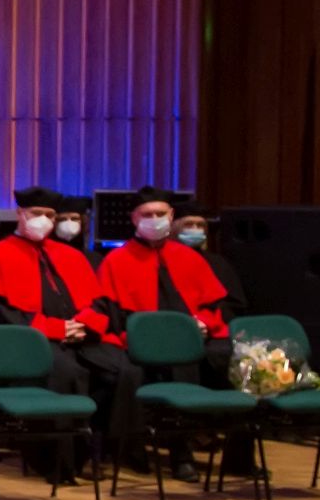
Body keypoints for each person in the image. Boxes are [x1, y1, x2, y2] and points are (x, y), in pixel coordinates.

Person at [0, 186, 137, 473]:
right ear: (20, 213)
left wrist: (85, 325)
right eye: (37, 213)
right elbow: (1, 314)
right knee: (67, 372)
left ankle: (105, 451)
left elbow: (97, 302)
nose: (43, 220)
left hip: (78, 336)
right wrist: (57, 329)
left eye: (50, 215)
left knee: (124, 370)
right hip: (29, 343)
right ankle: (59, 461)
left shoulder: (70, 256)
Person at [101, 187, 246, 478]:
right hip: (143, 343)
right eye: (147, 214)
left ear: (171, 216)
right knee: (179, 362)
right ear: (134, 218)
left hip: (198, 338)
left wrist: (204, 323)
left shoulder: (189, 258)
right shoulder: (116, 261)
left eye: (160, 213)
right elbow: (114, 317)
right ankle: (181, 454)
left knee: (241, 362)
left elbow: (213, 305)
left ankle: (239, 458)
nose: (154, 219)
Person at [171, 199, 247, 321]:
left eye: (200, 225)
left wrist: (207, 320)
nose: (195, 229)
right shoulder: (162, 260)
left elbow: (234, 304)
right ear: (172, 228)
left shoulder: (217, 263)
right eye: (188, 224)